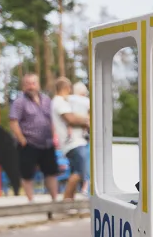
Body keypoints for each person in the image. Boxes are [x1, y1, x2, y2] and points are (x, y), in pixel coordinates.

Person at [9, 73, 59, 202]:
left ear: (38, 84)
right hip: (29, 143)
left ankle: (55, 200)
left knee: (51, 172)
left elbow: (52, 120)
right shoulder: (19, 102)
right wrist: (22, 141)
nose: (31, 86)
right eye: (28, 84)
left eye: (33, 83)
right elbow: (13, 122)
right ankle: (31, 201)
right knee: (27, 174)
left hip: (47, 143)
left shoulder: (47, 100)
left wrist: (55, 136)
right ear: (23, 86)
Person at [51, 77, 89, 201]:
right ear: (67, 88)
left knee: (75, 172)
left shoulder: (60, 102)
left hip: (72, 143)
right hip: (73, 143)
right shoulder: (59, 102)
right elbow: (71, 119)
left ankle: (69, 202)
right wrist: (87, 121)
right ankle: (66, 201)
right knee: (79, 173)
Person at [71, 82, 92, 193]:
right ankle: (85, 188)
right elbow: (89, 119)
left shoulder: (69, 101)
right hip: (82, 141)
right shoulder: (85, 102)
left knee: (75, 169)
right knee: (83, 168)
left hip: (72, 142)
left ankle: (81, 189)